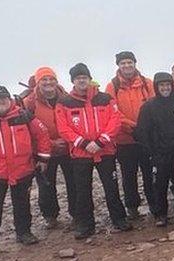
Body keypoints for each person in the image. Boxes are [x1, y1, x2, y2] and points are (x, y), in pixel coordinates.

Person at [56, 63, 132, 239]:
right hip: (80, 154)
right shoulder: (64, 102)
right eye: (78, 78)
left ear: (90, 79)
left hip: (105, 151)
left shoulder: (105, 98)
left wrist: (101, 141)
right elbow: (63, 127)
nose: (81, 80)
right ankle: (85, 225)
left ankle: (119, 219)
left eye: (84, 77)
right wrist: (82, 143)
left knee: (111, 187)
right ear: (73, 81)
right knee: (82, 190)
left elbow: (115, 120)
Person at [0, 86, 51, 259]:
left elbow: (42, 134)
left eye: (3, 98)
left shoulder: (24, 116)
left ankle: (24, 233)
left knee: (22, 203)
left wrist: (43, 158)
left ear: (9, 99)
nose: (0, 102)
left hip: (22, 169)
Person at [18, 67, 76, 229]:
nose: (48, 82)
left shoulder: (66, 98)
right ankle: (50, 216)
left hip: (67, 148)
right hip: (43, 152)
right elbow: (26, 131)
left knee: (74, 182)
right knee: (46, 185)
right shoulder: (29, 102)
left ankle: (77, 213)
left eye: (51, 79)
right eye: (44, 79)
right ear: (37, 82)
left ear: (57, 81)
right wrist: (51, 143)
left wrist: (66, 139)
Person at [135, 72, 174, 227]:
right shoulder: (148, 107)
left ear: (171, 86)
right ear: (156, 87)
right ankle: (161, 214)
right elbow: (142, 132)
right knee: (159, 185)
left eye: (167, 85)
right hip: (159, 153)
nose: (165, 88)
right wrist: (151, 153)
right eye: (161, 85)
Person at [106, 51, 154, 219]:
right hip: (124, 139)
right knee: (128, 174)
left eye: (129, 62)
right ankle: (132, 207)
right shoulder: (112, 86)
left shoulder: (147, 83)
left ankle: (155, 205)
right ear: (118, 65)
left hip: (146, 138)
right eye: (123, 63)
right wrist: (133, 127)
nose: (126, 66)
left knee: (149, 172)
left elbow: (153, 107)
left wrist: (144, 129)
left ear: (135, 63)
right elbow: (113, 113)